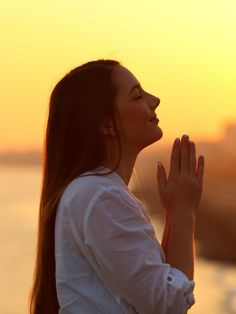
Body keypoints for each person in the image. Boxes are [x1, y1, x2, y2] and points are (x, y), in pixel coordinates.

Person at [29, 59, 204, 314]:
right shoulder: (100, 195)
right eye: (137, 96)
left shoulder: (94, 191)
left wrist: (176, 213)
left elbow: (158, 288)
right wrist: (184, 211)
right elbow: (169, 305)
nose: (154, 100)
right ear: (106, 124)